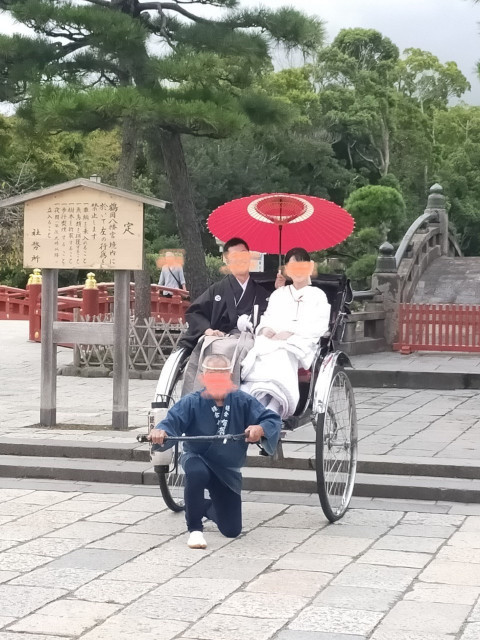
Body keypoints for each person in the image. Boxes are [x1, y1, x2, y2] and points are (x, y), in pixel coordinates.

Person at [149, 354, 281, 549]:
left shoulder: (242, 400)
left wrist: (259, 429)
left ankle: (202, 506)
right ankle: (194, 530)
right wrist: (161, 432)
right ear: (203, 377)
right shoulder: (191, 402)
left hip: (226, 470)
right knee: (196, 472)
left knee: (231, 530)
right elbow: (171, 423)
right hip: (197, 458)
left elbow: (271, 419)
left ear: (230, 377)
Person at [241, 247, 331, 419]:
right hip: (273, 340)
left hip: (300, 342)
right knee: (260, 352)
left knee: (283, 353)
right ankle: (259, 397)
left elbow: (319, 324)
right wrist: (265, 329)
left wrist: (291, 332)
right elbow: (268, 318)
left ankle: (276, 405)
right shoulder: (279, 294)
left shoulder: (318, 295)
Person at [177, 238, 270, 353]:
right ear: (227, 261)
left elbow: (272, 318)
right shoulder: (217, 290)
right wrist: (208, 330)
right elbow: (195, 312)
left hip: (254, 342)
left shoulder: (261, 293)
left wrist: (279, 290)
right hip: (220, 341)